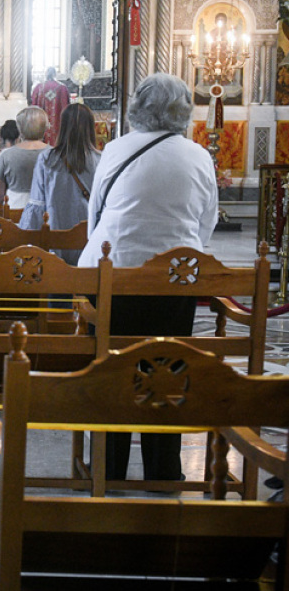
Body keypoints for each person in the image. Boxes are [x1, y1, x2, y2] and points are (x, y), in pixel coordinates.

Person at [76, 73, 218, 483]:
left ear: (138, 108)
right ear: (182, 111)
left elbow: (96, 214)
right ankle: (163, 471)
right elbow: (206, 224)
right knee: (167, 374)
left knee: (114, 374)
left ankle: (109, 469)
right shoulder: (198, 155)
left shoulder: (118, 148)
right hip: (175, 282)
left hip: (114, 274)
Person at [19, 103, 100, 264]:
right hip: (91, 241)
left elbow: (37, 205)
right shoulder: (102, 159)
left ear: (62, 127)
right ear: (91, 128)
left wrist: (27, 243)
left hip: (55, 240)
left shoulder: (48, 159)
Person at [0, 106, 51, 209]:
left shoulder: (6, 154)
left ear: (20, 129)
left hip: (15, 208)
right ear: (45, 128)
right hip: (47, 210)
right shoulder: (55, 153)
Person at [30, 67, 71, 146]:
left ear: (46, 74)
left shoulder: (38, 87)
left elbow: (34, 107)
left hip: (41, 123)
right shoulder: (62, 88)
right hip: (57, 124)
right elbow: (66, 107)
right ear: (55, 74)